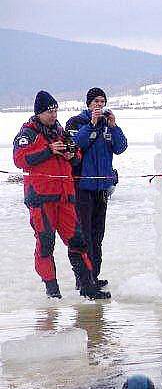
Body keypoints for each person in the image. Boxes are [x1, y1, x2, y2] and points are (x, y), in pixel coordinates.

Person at [13, 91, 109, 300]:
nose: (53, 115)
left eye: (55, 110)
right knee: (46, 244)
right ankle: (52, 289)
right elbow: (20, 160)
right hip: (41, 199)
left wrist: (71, 154)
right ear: (39, 112)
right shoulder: (27, 133)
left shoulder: (60, 131)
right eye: (49, 111)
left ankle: (87, 286)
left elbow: (76, 158)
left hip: (65, 198)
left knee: (79, 242)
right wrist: (48, 150)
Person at [66, 88, 128, 289]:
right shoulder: (76, 122)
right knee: (84, 235)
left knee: (97, 234)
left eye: (102, 101)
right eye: (95, 101)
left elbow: (120, 147)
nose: (99, 105)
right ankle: (84, 279)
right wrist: (92, 125)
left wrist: (114, 126)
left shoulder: (107, 124)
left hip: (102, 187)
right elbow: (76, 145)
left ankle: (94, 275)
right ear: (88, 104)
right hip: (83, 186)